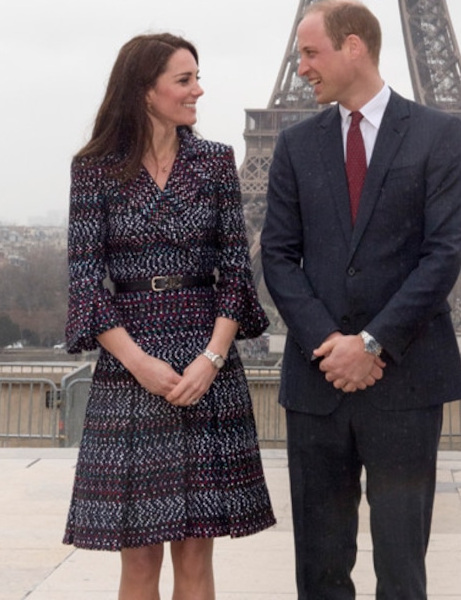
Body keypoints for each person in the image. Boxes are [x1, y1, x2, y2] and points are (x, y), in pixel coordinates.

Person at [261, 0, 461, 600]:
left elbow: (443, 255)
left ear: (354, 46)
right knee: (319, 569)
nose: (301, 66)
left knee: (402, 569)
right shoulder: (296, 144)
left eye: (310, 52)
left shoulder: (439, 134)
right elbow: (277, 256)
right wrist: (333, 344)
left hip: (403, 382)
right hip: (317, 380)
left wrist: (373, 343)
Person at [63, 32, 275, 600]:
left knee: (196, 559)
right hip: (130, 363)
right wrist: (139, 364)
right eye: (184, 80)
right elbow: (85, 279)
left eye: (196, 77)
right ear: (145, 90)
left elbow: (236, 270)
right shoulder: (96, 170)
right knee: (137, 563)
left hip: (206, 359)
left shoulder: (215, 162)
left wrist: (212, 358)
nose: (198, 90)